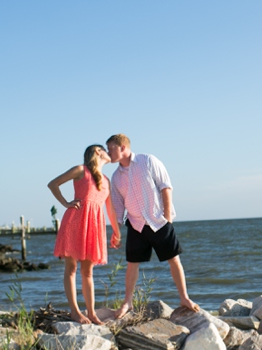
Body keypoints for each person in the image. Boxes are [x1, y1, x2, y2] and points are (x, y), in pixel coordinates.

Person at [105, 134, 199, 318]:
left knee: (174, 260)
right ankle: (127, 302)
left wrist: (167, 217)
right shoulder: (115, 177)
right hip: (136, 224)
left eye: (110, 148)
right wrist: (116, 232)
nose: (108, 153)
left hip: (158, 220)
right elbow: (117, 206)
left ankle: (184, 298)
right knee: (132, 264)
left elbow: (165, 186)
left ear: (122, 147)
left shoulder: (148, 160)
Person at [48, 144, 121, 325]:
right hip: (75, 222)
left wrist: (116, 231)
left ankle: (91, 313)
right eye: (105, 149)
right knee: (71, 269)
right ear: (98, 151)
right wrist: (66, 203)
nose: (108, 153)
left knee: (88, 272)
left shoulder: (106, 180)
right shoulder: (80, 170)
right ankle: (75, 311)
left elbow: (110, 209)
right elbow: (53, 184)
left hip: (94, 226)